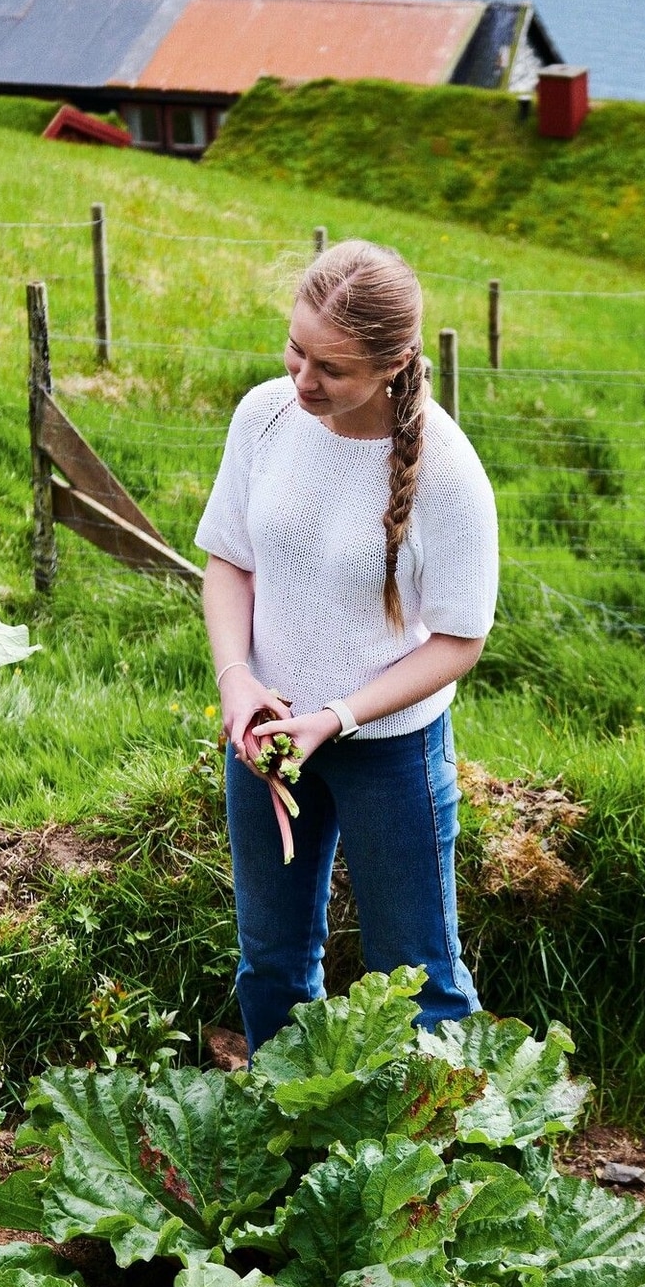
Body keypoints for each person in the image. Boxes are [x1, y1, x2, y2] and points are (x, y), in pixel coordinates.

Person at [197, 239, 500, 1053]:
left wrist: (338, 716)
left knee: (420, 979)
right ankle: (285, 1141)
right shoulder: (263, 417)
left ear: (396, 362)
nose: (303, 380)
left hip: (389, 753)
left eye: (330, 368)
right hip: (265, 739)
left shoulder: (448, 474)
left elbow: (460, 640)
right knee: (270, 963)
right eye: (296, 349)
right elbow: (228, 562)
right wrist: (238, 684)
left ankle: (446, 1168)